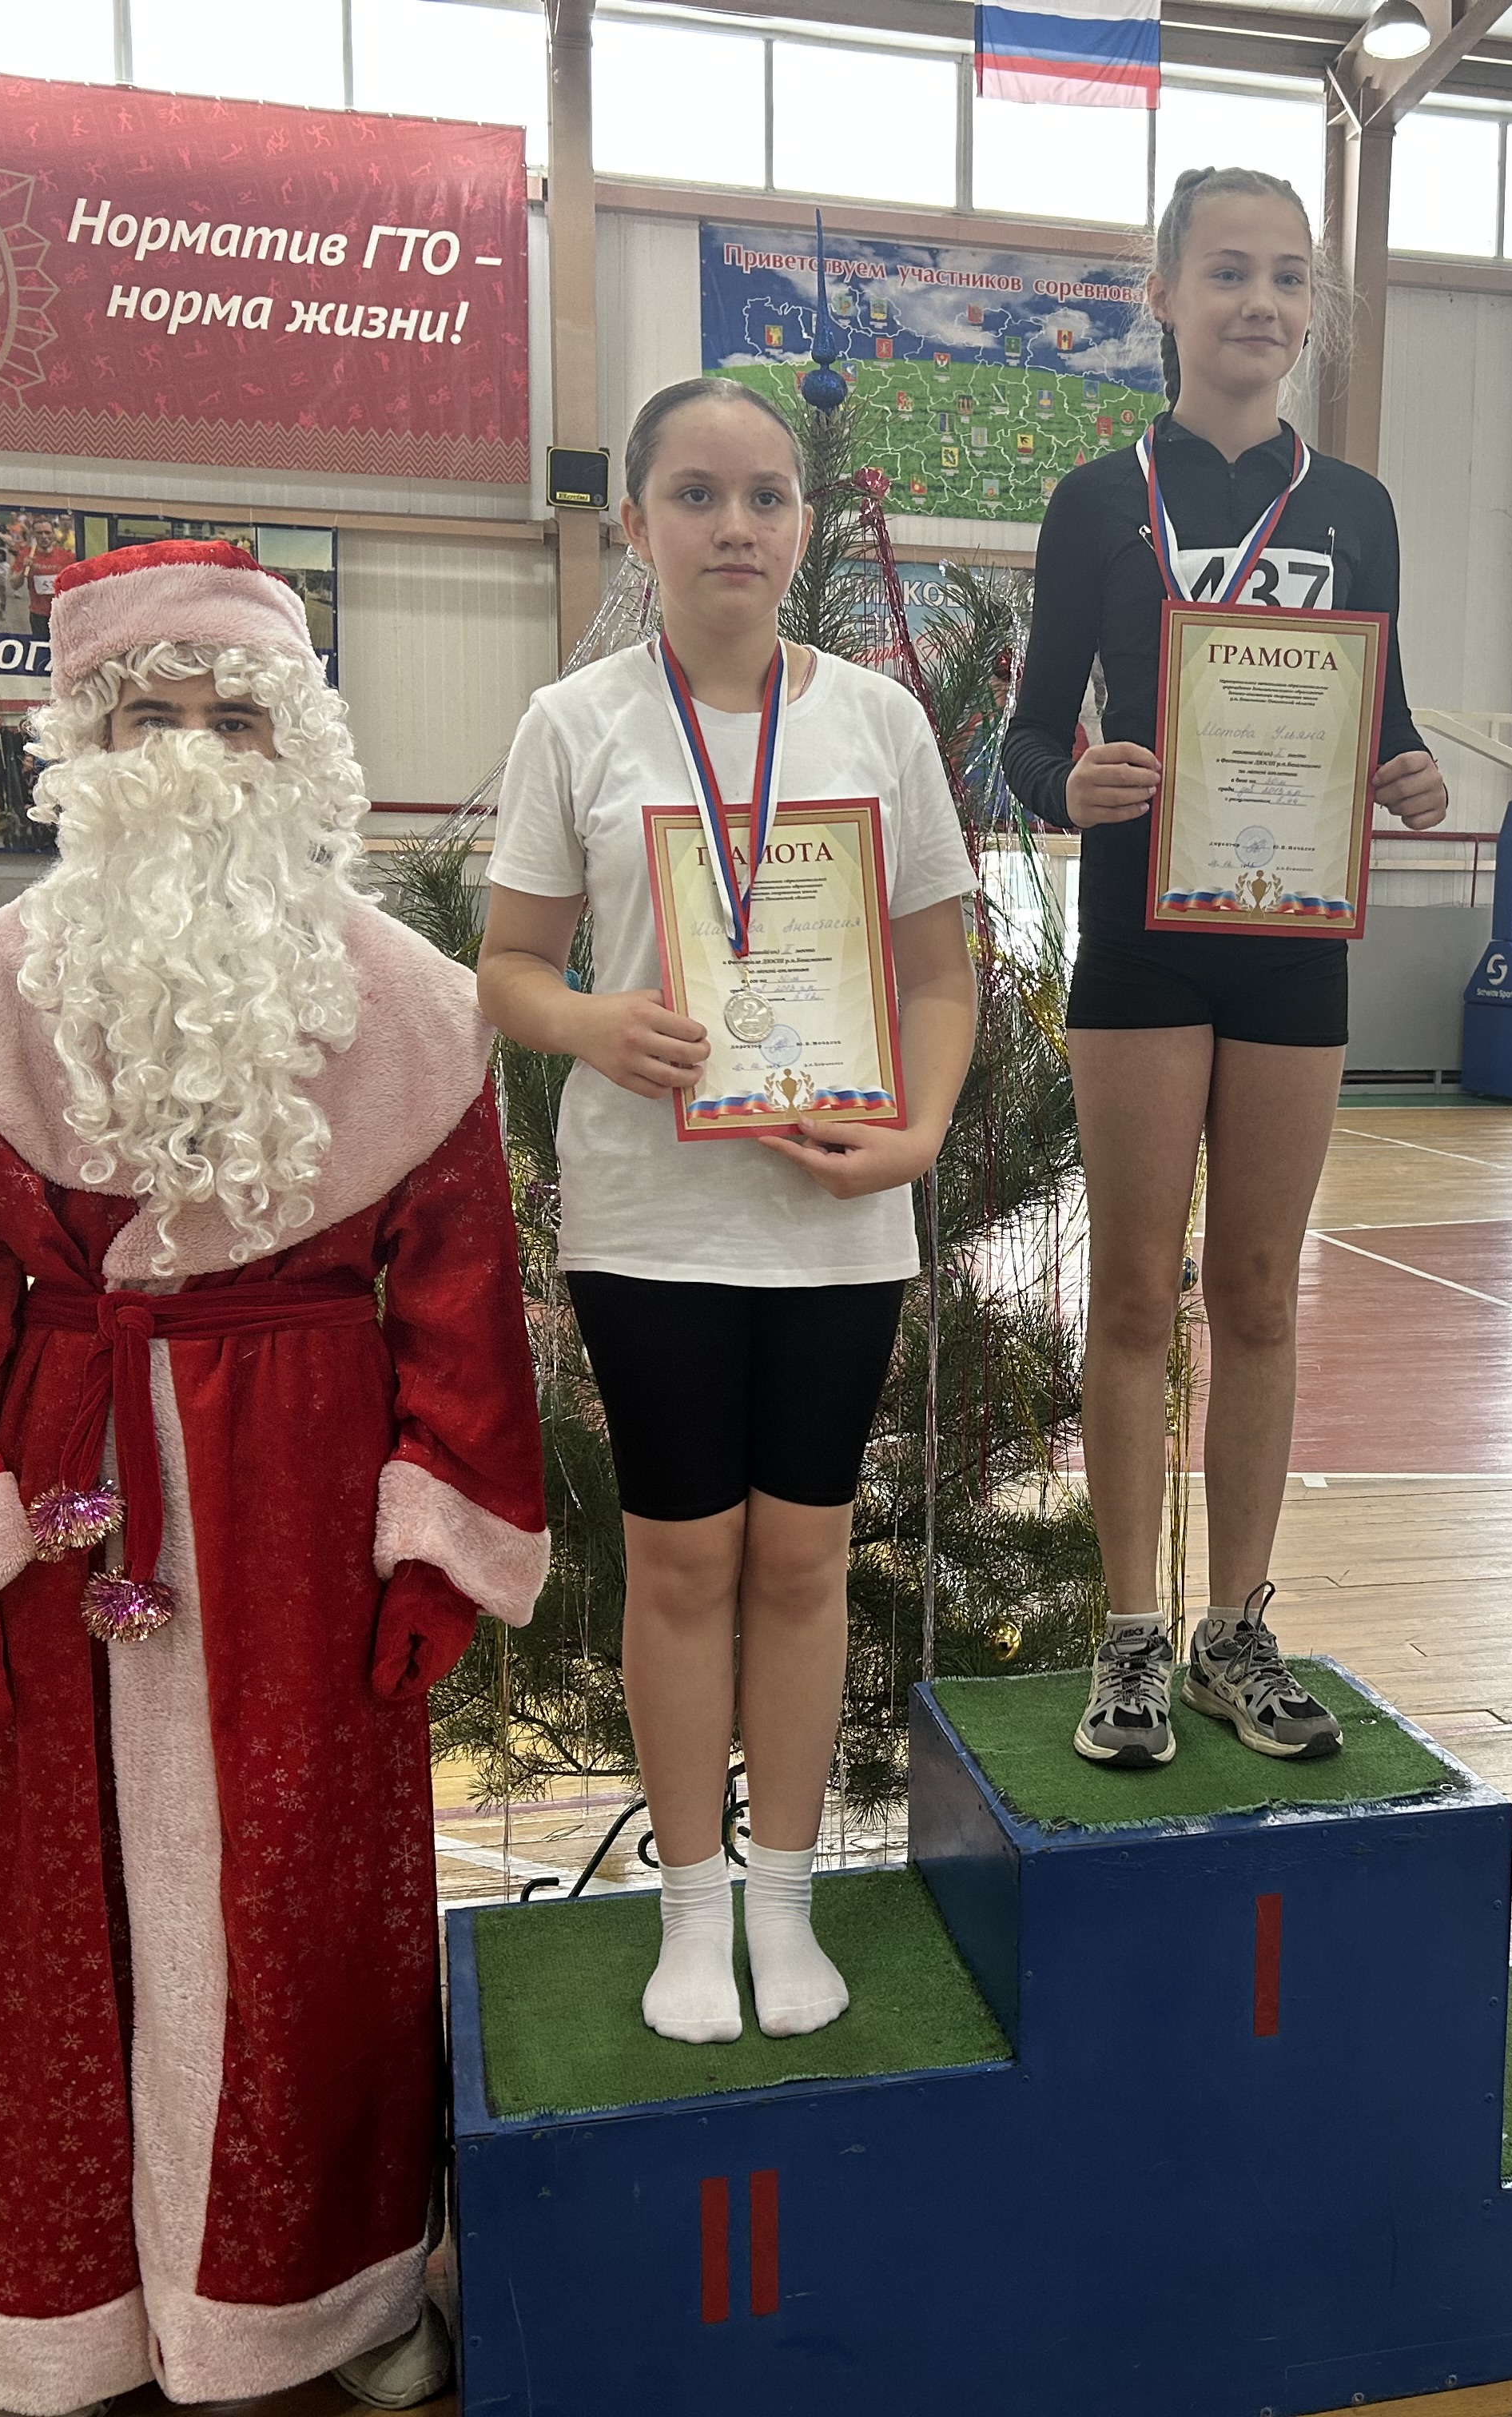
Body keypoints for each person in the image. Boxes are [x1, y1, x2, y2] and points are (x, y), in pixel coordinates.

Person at [0, 540, 548, 2416]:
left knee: (317, 1902)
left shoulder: (415, 1012)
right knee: (65, 1909)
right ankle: (70, 2309)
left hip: (308, 1503)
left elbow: (461, 1295)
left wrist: (441, 1540)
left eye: (236, 719)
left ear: (298, 751)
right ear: (85, 748)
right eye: (151, 717)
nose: (195, 756)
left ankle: (331, 2296)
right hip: (69, 1505)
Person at [480, 377, 981, 2047]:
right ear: (637, 523)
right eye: (696, 495)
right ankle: (691, 1904)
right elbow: (507, 967)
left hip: (836, 1220)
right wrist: (588, 1023)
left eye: (767, 496)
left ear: (803, 525)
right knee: (682, 1560)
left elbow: (938, 974)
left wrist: (919, 1133)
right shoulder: (576, 723)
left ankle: (786, 1892)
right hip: (651, 1222)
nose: (736, 526)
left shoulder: (879, 724)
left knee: (809, 1555)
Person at [1000, 165, 1451, 1773]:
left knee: (1259, 1294)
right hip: (1142, 936)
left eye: (1289, 276)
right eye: (1231, 271)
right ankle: (1129, 1630)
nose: (1264, 301)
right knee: (1136, 1293)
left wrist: (1411, 777)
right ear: (1165, 295)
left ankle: (1236, 1630)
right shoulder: (1098, 499)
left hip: (1295, 946)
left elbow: (1386, 720)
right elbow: (1027, 739)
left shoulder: (1358, 508)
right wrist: (1071, 789)